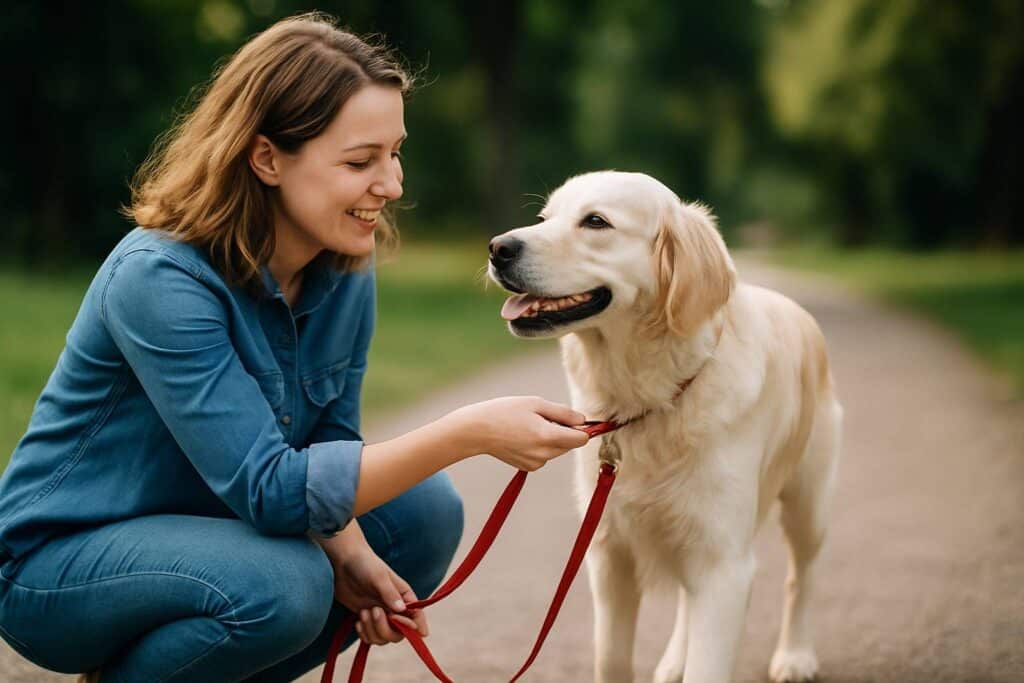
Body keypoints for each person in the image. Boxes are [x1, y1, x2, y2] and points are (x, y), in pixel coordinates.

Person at [0, 13, 589, 682]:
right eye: (361, 161)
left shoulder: (344, 267)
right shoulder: (158, 279)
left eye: (395, 153)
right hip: (58, 566)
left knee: (422, 518)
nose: (392, 184)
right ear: (267, 158)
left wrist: (354, 556)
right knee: (285, 584)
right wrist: (469, 431)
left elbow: (326, 443)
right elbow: (272, 489)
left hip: (217, 535)